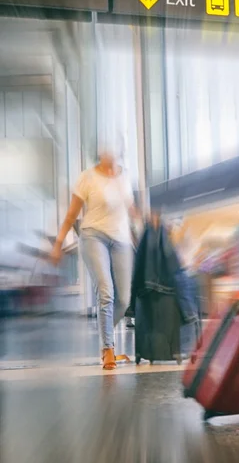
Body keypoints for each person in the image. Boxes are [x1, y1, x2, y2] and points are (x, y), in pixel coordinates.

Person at [51, 145, 137, 370]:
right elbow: (72, 214)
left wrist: (146, 231)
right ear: (99, 153)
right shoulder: (87, 178)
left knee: (125, 300)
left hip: (121, 240)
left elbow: (131, 210)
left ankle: (104, 336)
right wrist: (59, 243)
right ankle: (108, 348)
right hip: (93, 236)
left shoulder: (124, 177)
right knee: (106, 291)